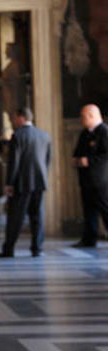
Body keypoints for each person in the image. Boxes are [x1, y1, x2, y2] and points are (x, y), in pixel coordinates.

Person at [0, 107, 51, 257]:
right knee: (38, 216)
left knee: (15, 217)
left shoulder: (18, 136)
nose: (13, 121)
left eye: (14, 118)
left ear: (21, 118)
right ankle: (37, 248)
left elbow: (14, 161)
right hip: (40, 182)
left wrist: (9, 183)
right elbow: (47, 160)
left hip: (22, 183)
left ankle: (9, 249)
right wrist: (43, 177)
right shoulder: (44, 135)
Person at [72, 104, 108, 248]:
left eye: (83, 116)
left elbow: (106, 155)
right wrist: (77, 160)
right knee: (89, 211)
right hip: (86, 179)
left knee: (105, 209)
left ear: (92, 115)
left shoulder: (104, 132)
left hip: (101, 180)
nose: (81, 119)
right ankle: (89, 239)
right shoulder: (84, 133)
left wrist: (89, 160)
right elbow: (77, 152)